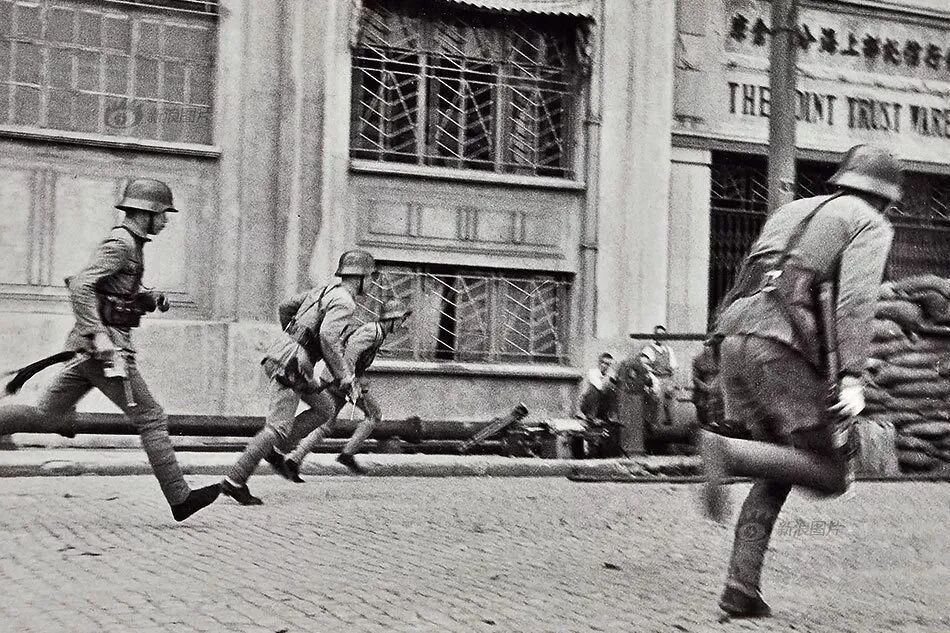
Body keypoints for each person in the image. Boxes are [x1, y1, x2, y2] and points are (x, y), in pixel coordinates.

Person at [699, 145, 902, 618]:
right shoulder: (870, 223)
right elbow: (855, 301)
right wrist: (851, 376)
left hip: (736, 338)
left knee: (779, 466)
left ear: (842, 180)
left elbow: (747, 276)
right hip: (781, 347)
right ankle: (725, 453)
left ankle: (741, 587)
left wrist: (714, 347)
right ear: (885, 197)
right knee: (831, 473)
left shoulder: (791, 210)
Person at [0, 178, 220, 522]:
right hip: (105, 352)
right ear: (147, 213)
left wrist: (148, 297)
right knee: (151, 417)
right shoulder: (121, 243)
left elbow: (112, 290)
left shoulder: (132, 244)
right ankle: (180, 498)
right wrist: (98, 334)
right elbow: (81, 285)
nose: (166, 221)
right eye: (163, 213)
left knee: (47, 416)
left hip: (93, 350)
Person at [220, 250, 376, 505]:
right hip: (291, 365)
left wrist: (293, 339)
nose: (371, 283)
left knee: (324, 408)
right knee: (277, 427)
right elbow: (328, 338)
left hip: (289, 357)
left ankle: (275, 450)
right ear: (360, 278)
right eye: (370, 277)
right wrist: (344, 376)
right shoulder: (346, 302)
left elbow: (286, 307)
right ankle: (235, 481)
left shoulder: (324, 290)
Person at [269, 297, 412, 479]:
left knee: (326, 424)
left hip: (335, 378)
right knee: (374, 414)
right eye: (401, 319)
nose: (402, 324)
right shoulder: (372, 332)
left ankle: (294, 460)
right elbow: (351, 353)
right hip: (341, 379)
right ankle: (347, 454)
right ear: (392, 318)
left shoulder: (378, 334)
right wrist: (350, 381)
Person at [640, 325, 678, 427]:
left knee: (668, 400)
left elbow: (674, 365)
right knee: (655, 400)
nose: (661, 337)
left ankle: (668, 421)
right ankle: (652, 423)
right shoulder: (648, 349)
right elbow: (643, 364)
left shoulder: (668, 349)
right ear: (655, 336)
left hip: (667, 378)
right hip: (655, 378)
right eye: (658, 334)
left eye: (663, 335)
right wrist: (652, 372)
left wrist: (671, 373)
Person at [577, 352, 617, 424]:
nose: (604, 366)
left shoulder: (610, 374)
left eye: (607, 364)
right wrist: (608, 377)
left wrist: (611, 378)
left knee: (612, 391)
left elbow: (614, 388)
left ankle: (609, 416)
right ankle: (591, 417)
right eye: (602, 362)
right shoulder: (592, 372)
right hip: (587, 405)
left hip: (600, 405)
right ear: (599, 363)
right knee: (594, 390)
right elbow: (600, 388)